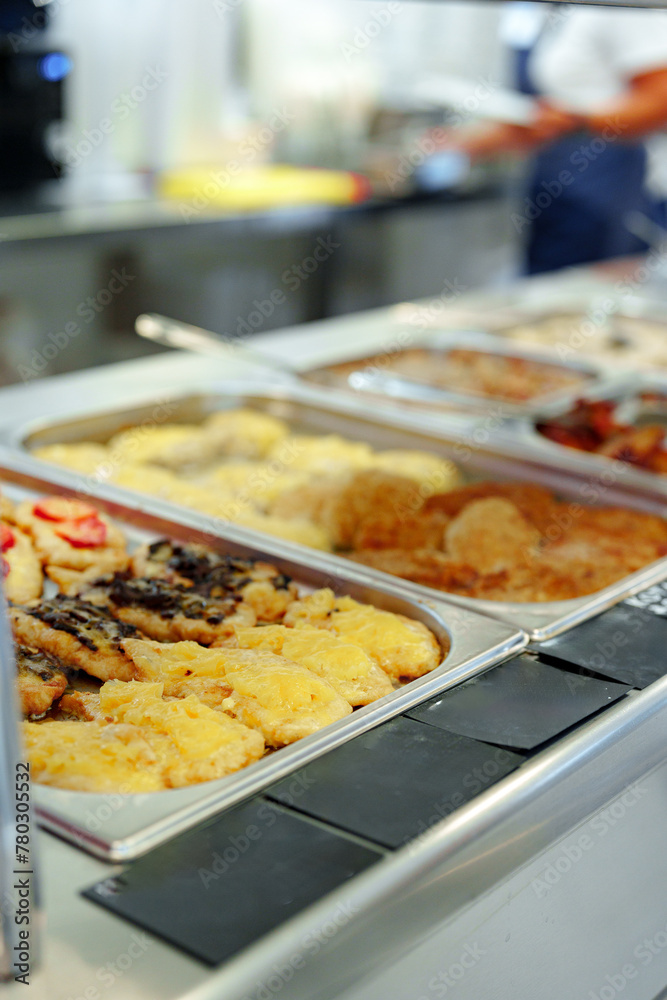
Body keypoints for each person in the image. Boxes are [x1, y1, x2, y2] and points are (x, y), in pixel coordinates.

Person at [435, 3, 667, 274]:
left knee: (595, 293)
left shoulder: (622, 10)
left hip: (609, 191)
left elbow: (660, 101)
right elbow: (540, 117)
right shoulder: (543, 15)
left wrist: (580, 122)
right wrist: (468, 144)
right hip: (551, 188)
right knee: (546, 289)